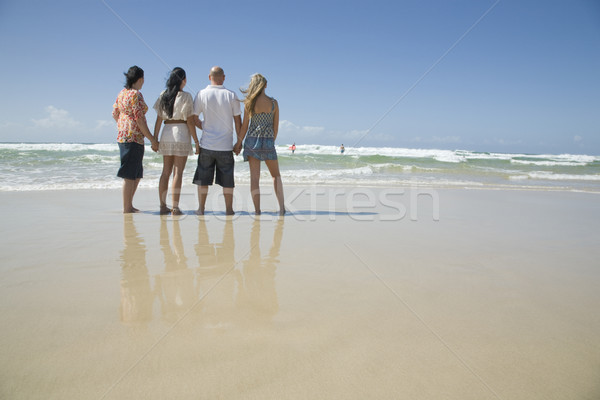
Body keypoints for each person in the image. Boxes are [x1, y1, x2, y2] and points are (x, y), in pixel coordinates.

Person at [192, 66, 242, 215]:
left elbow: (194, 118)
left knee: (203, 179)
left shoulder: (201, 94)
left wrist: (204, 126)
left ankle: (201, 209)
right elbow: (238, 122)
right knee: (227, 181)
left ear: (209, 77)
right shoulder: (231, 95)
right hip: (226, 146)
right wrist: (239, 143)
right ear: (224, 77)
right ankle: (229, 210)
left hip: (207, 144)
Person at [234, 73, 285, 216]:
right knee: (276, 176)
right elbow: (275, 128)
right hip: (267, 141)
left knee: (255, 179)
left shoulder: (249, 102)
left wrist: (238, 143)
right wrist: (270, 142)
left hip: (251, 141)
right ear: (265, 85)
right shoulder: (274, 103)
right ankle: (281, 209)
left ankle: (257, 211)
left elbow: (244, 126)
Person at [153, 67, 200, 215]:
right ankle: (175, 207)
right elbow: (190, 121)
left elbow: (158, 119)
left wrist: (155, 138)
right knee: (178, 173)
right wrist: (196, 142)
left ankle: (162, 206)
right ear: (183, 80)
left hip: (166, 132)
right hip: (180, 132)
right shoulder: (186, 96)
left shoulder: (163, 95)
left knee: (165, 172)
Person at [112, 65, 159, 213]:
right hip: (133, 136)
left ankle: (129, 205)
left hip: (124, 135)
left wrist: (122, 124)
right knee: (130, 174)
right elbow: (139, 119)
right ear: (140, 79)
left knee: (136, 173)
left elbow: (115, 113)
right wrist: (152, 139)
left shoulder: (121, 93)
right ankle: (127, 207)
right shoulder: (135, 94)